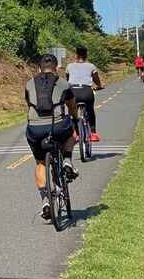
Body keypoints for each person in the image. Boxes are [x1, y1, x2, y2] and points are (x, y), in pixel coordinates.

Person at [25, 54, 79, 220]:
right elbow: (71, 106)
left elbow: (28, 103)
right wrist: (75, 118)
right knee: (72, 135)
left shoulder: (29, 83)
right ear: (56, 68)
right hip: (58, 126)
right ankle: (67, 161)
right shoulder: (63, 83)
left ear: (39, 68)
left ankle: (46, 200)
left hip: (35, 128)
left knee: (41, 162)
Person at [65, 46, 104, 142]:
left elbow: (68, 79)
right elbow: (96, 79)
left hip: (73, 91)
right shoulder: (91, 66)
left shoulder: (69, 66)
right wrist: (99, 86)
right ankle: (93, 133)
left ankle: (75, 133)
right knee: (90, 109)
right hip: (86, 91)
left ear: (76, 55)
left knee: (72, 111)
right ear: (86, 55)